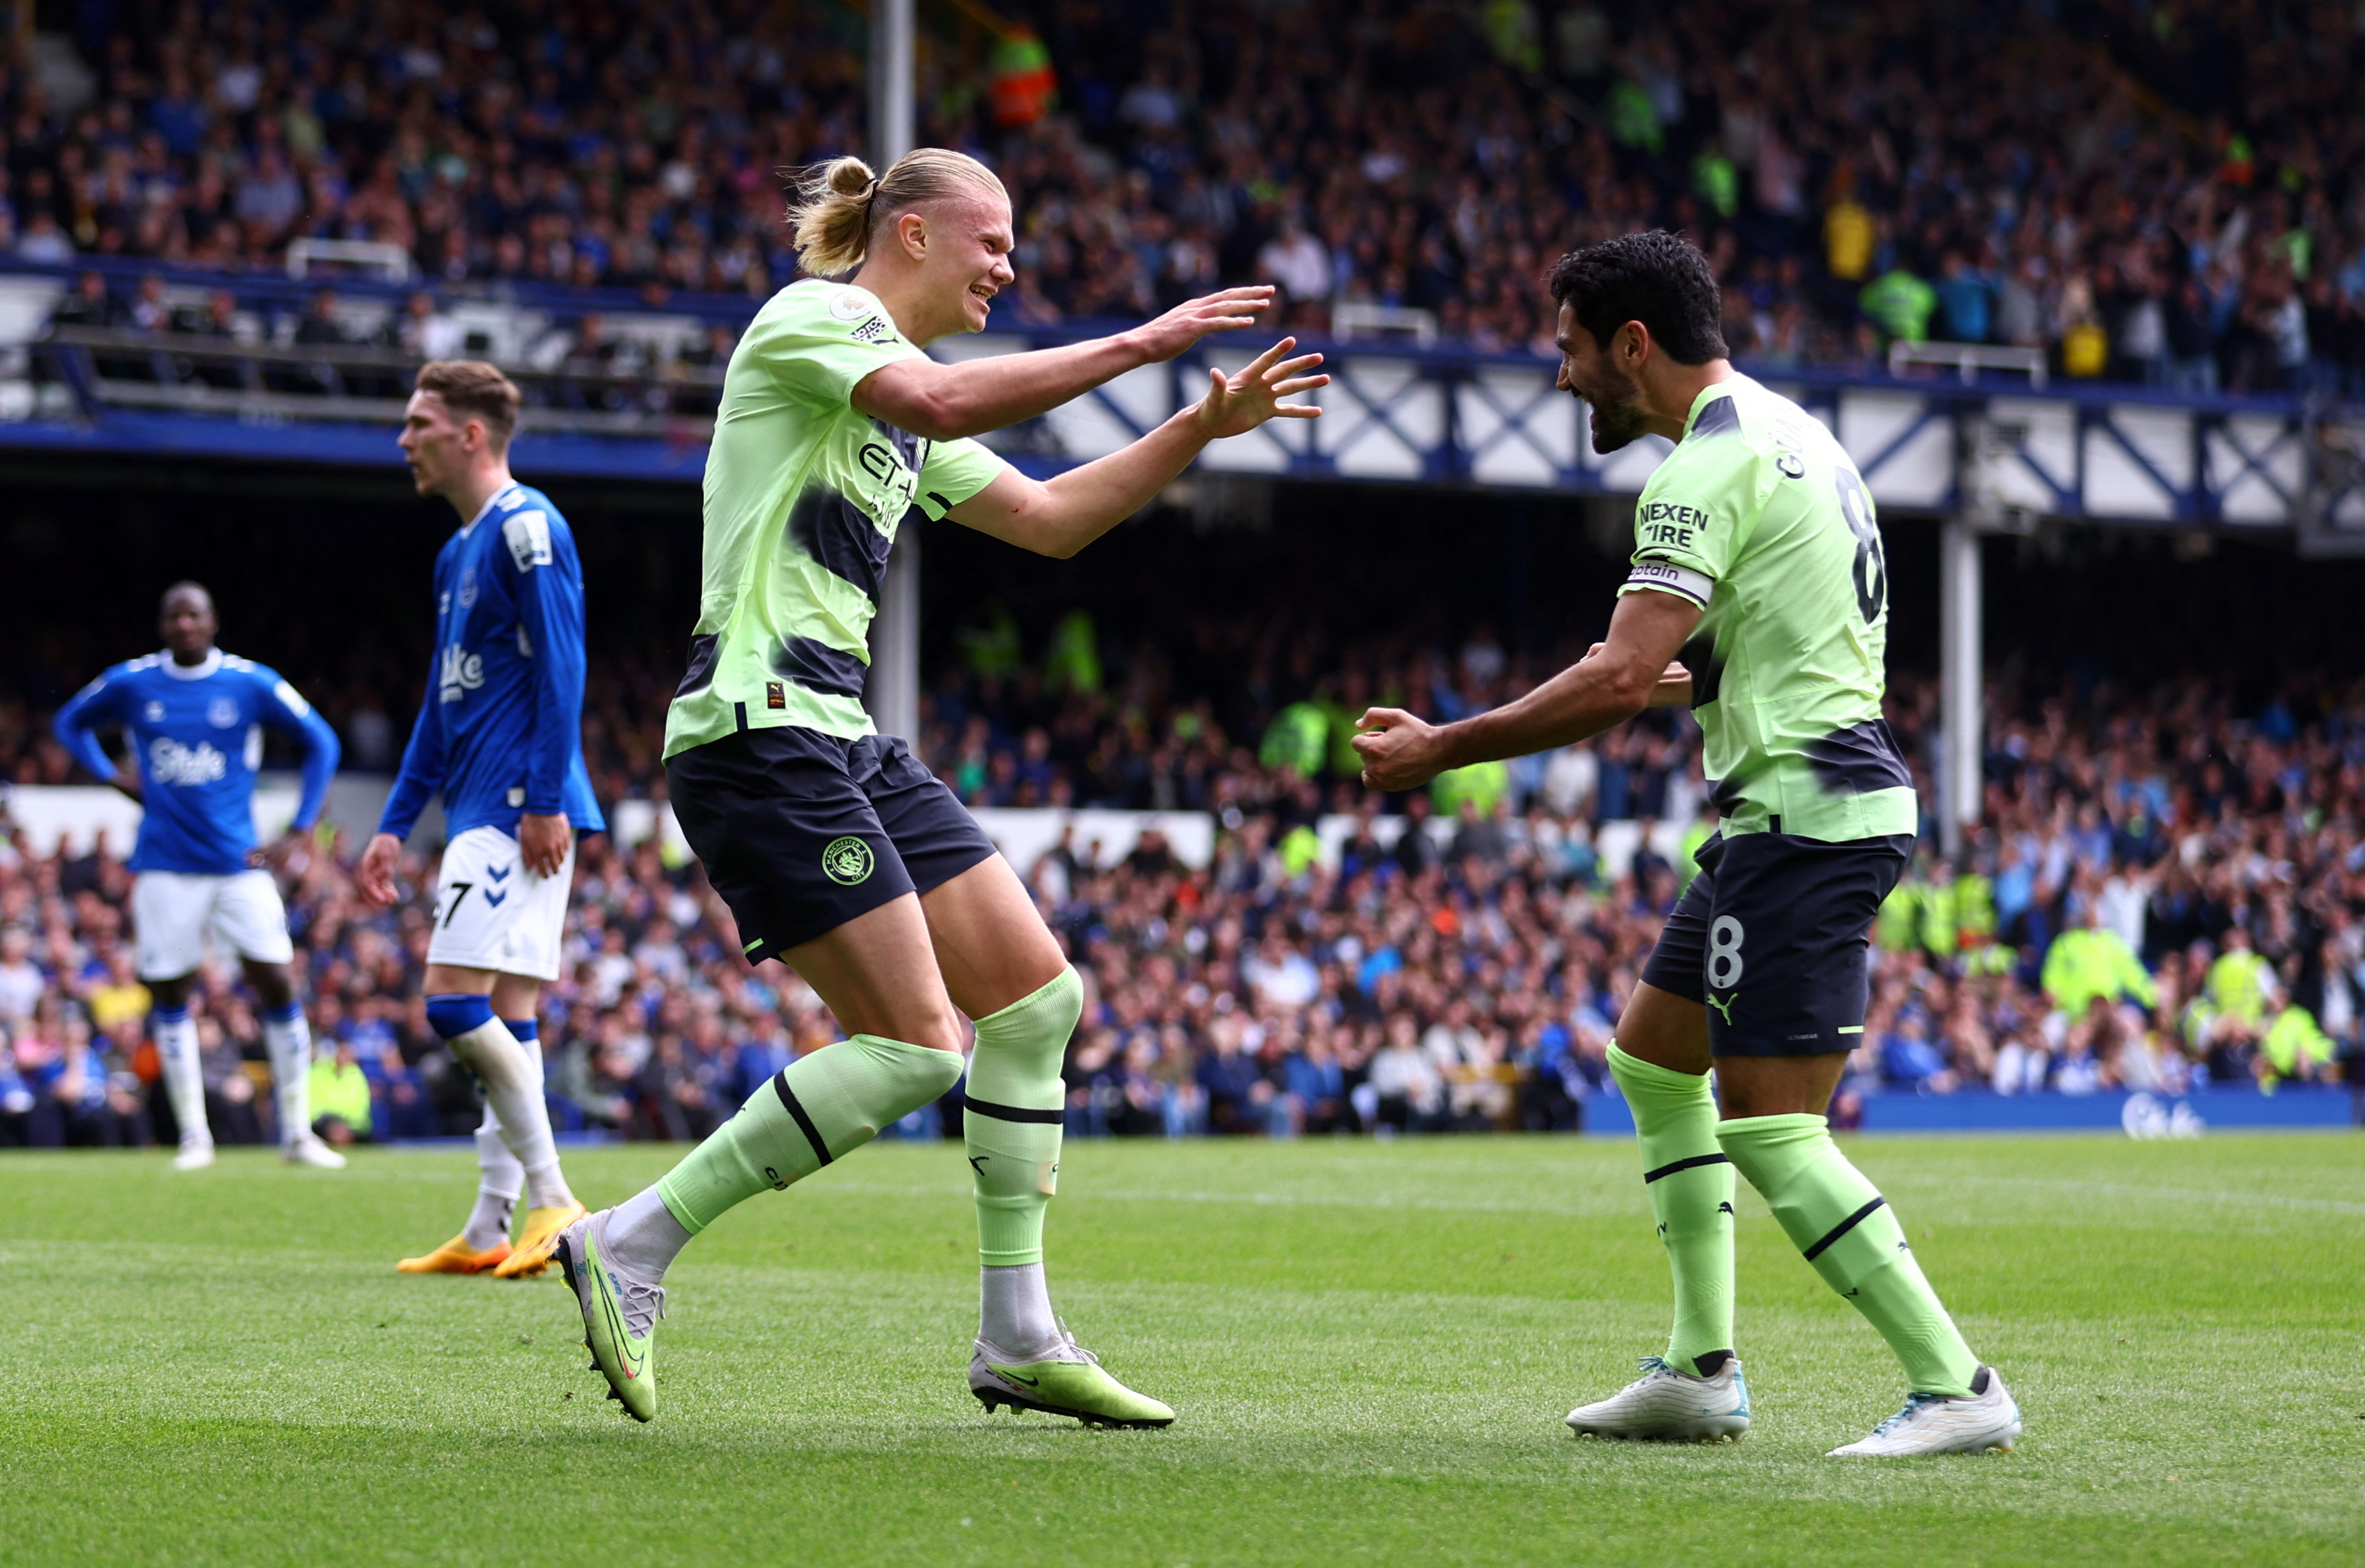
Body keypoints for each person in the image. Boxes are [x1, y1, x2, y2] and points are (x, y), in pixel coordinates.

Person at [552, 147, 1323, 1428]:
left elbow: (1051, 520)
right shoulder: (815, 320)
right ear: (910, 234)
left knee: (1036, 999)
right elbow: (942, 400)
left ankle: (1017, 1334)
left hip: (841, 735)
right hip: (758, 729)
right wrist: (1142, 345)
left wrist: (1196, 426)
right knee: (916, 1048)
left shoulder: (902, 411)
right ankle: (627, 1242)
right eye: (992, 242)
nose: (1007, 268)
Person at [1352, 231, 2019, 1459]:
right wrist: (1628, 678)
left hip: (1804, 817)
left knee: (1768, 1127)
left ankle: (1955, 1384)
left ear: (1632, 344)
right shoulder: (1794, 434)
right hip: (1808, 800)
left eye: (1568, 348)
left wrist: (1445, 746)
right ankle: (1699, 1369)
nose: (1560, 375)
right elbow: (1727, 655)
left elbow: (1619, 678)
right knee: (1654, 1063)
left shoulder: (1699, 472)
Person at [357, 360, 607, 1281]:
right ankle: (489, 1223)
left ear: (469, 434)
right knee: (510, 1011)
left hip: (512, 803)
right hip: (480, 800)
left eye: (418, 423)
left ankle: (554, 1196)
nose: (404, 440)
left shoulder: (529, 525)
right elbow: (441, 699)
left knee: (452, 1001)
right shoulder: (456, 551)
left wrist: (542, 797)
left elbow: (564, 665)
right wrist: (394, 820)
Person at [52, 582, 344, 1170]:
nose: (184, 624)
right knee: (170, 992)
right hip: (165, 865)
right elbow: (69, 723)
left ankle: (296, 1133)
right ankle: (194, 1137)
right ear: (163, 625)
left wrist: (302, 826)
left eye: (194, 614)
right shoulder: (134, 681)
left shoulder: (250, 682)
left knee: (277, 982)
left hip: (239, 863)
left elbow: (322, 741)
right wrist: (109, 774)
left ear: (213, 622)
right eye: (174, 616)